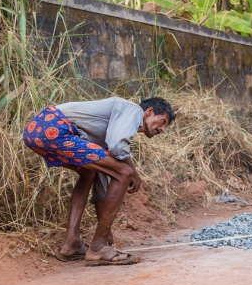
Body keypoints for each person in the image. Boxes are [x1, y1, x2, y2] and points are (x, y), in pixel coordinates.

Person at [22, 96, 175, 266]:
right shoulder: (133, 109)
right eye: (163, 121)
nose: (162, 129)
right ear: (149, 112)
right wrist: (133, 173)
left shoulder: (115, 126)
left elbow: (102, 179)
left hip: (36, 131)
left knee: (89, 173)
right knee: (124, 173)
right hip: (52, 126)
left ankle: (71, 244)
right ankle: (98, 248)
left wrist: (105, 229)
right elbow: (117, 147)